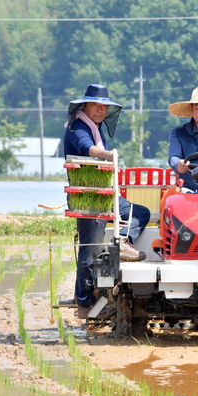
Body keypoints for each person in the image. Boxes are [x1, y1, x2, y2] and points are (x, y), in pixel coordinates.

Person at [63, 83, 151, 319]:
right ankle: (84, 304)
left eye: (104, 106)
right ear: (85, 105)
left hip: (106, 193)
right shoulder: (77, 126)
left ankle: (123, 240)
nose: (100, 110)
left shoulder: (96, 127)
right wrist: (106, 154)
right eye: (95, 105)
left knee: (139, 213)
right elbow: (85, 148)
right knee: (90, 249)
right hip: (87, 196)